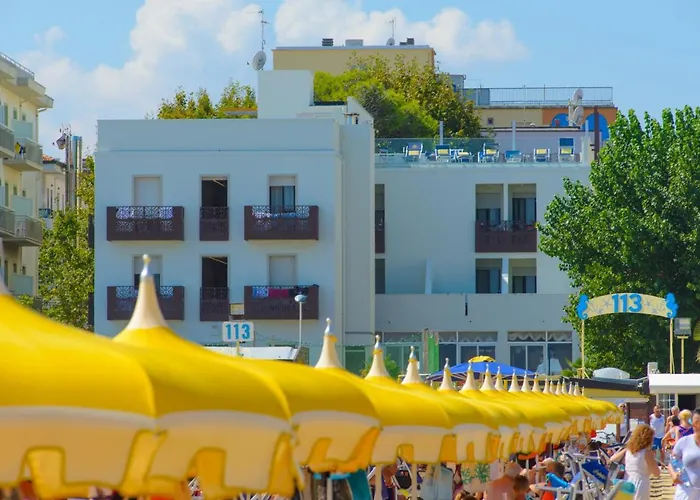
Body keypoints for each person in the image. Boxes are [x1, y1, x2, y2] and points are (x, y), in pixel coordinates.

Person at [609, 424, 660, 499]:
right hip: (641, 484)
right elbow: (656, 473)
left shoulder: (628, 450)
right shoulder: (646, 453)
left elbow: (612, 459)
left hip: (627, 482)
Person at [669, 408, 700, 499]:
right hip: (686, 492)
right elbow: (672, 462)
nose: (697, 426)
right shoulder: (684, 442)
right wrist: (674, 474)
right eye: (695, 422)